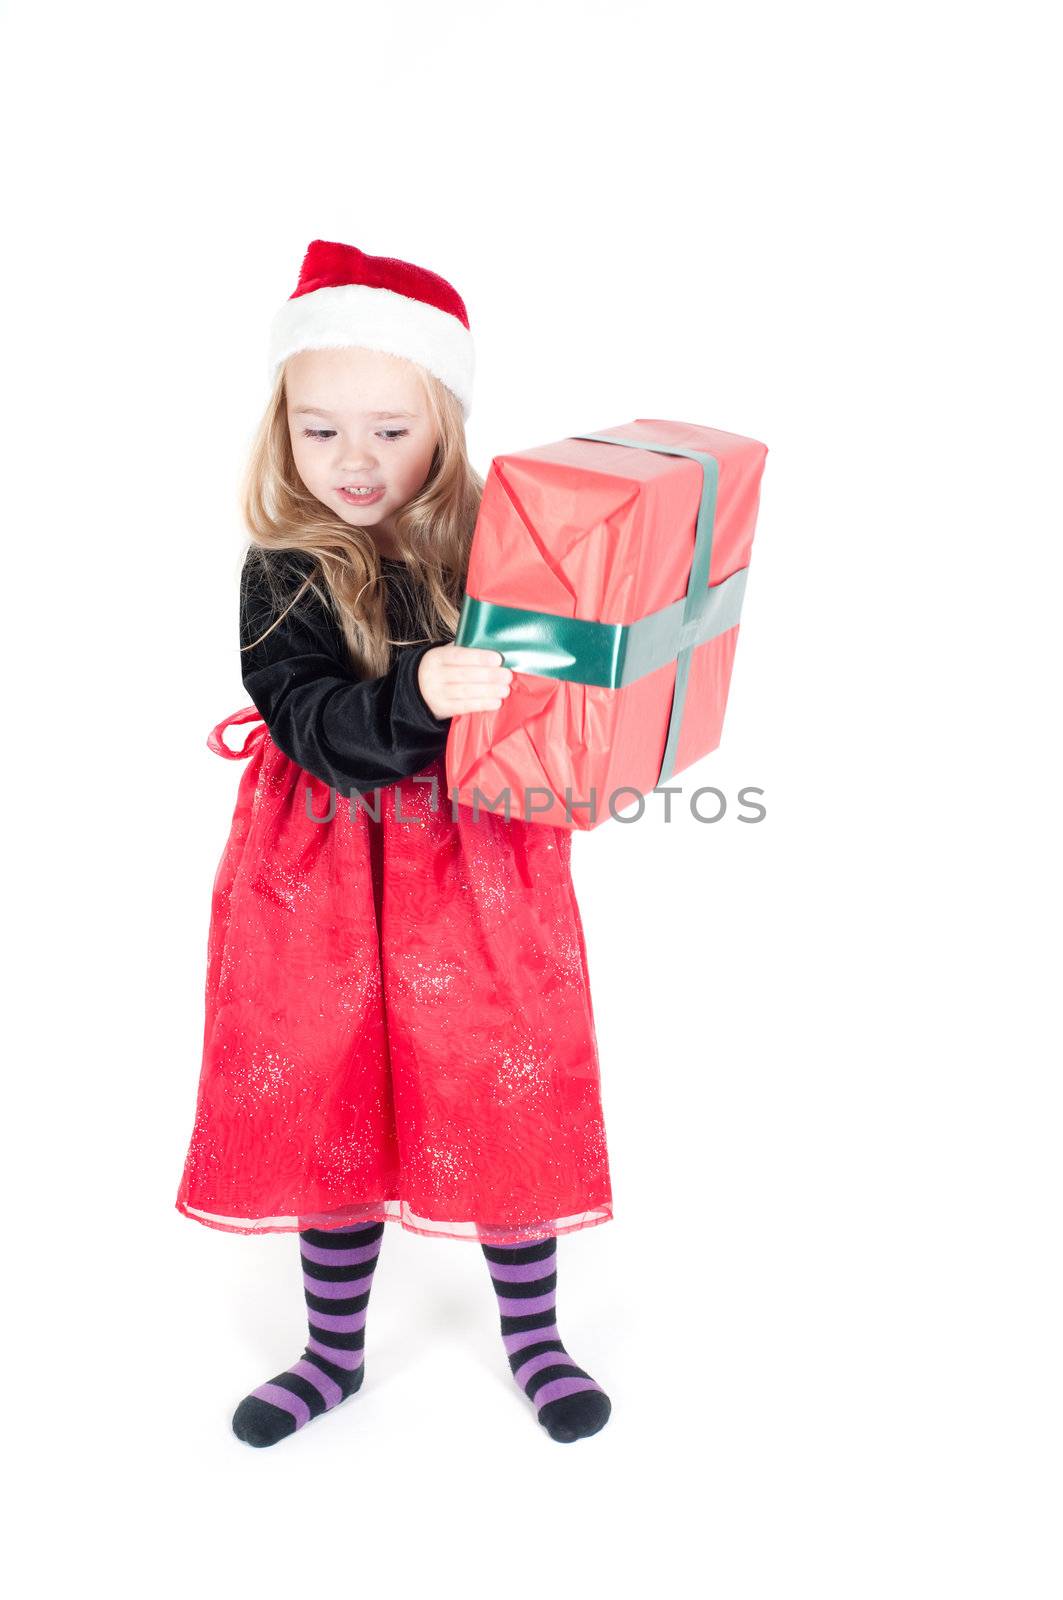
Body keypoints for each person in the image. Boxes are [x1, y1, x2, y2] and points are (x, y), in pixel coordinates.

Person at [175, 240, 613, 1448]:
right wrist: (427, 691)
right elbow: (311, 721)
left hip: (476, 872)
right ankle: (330, 1353)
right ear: (283, 433)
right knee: (331, 1091)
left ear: (444, 427)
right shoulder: (284, 568)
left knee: (496, 1078)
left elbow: (565, 690)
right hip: (317, 874)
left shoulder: (497, 549)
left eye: (386, 430)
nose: (352, 462)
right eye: (320, 432)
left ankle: (532, 1333)